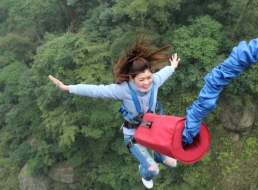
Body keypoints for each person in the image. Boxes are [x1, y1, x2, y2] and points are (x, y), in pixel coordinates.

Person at [48, 37, 181, 189]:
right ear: (131, 78)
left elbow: (164, 73)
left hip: (150, 129)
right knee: (153, 170)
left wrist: (172, 66)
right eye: (141, 79)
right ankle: (143, 172)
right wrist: (67, 88)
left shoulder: (155, 81)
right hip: (133, 134)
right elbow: (96, 90)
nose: (146, 83)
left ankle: (158, 156)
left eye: (149, 77)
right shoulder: (123, 90)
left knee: (172, 163)